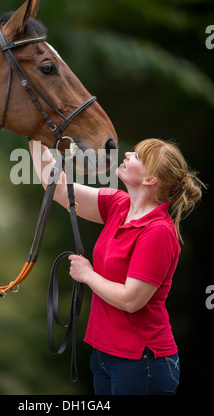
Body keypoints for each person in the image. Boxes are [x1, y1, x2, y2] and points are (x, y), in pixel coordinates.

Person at [29, 138, 204, 395]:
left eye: (139, 157)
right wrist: (35, 137)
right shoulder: (118, 204)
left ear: (149, 180)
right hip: (104, 355)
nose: (129, 153)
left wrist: (88, 275)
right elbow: (56, 188)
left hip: (142, 361)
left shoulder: (158, 231)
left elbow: (131, 300)